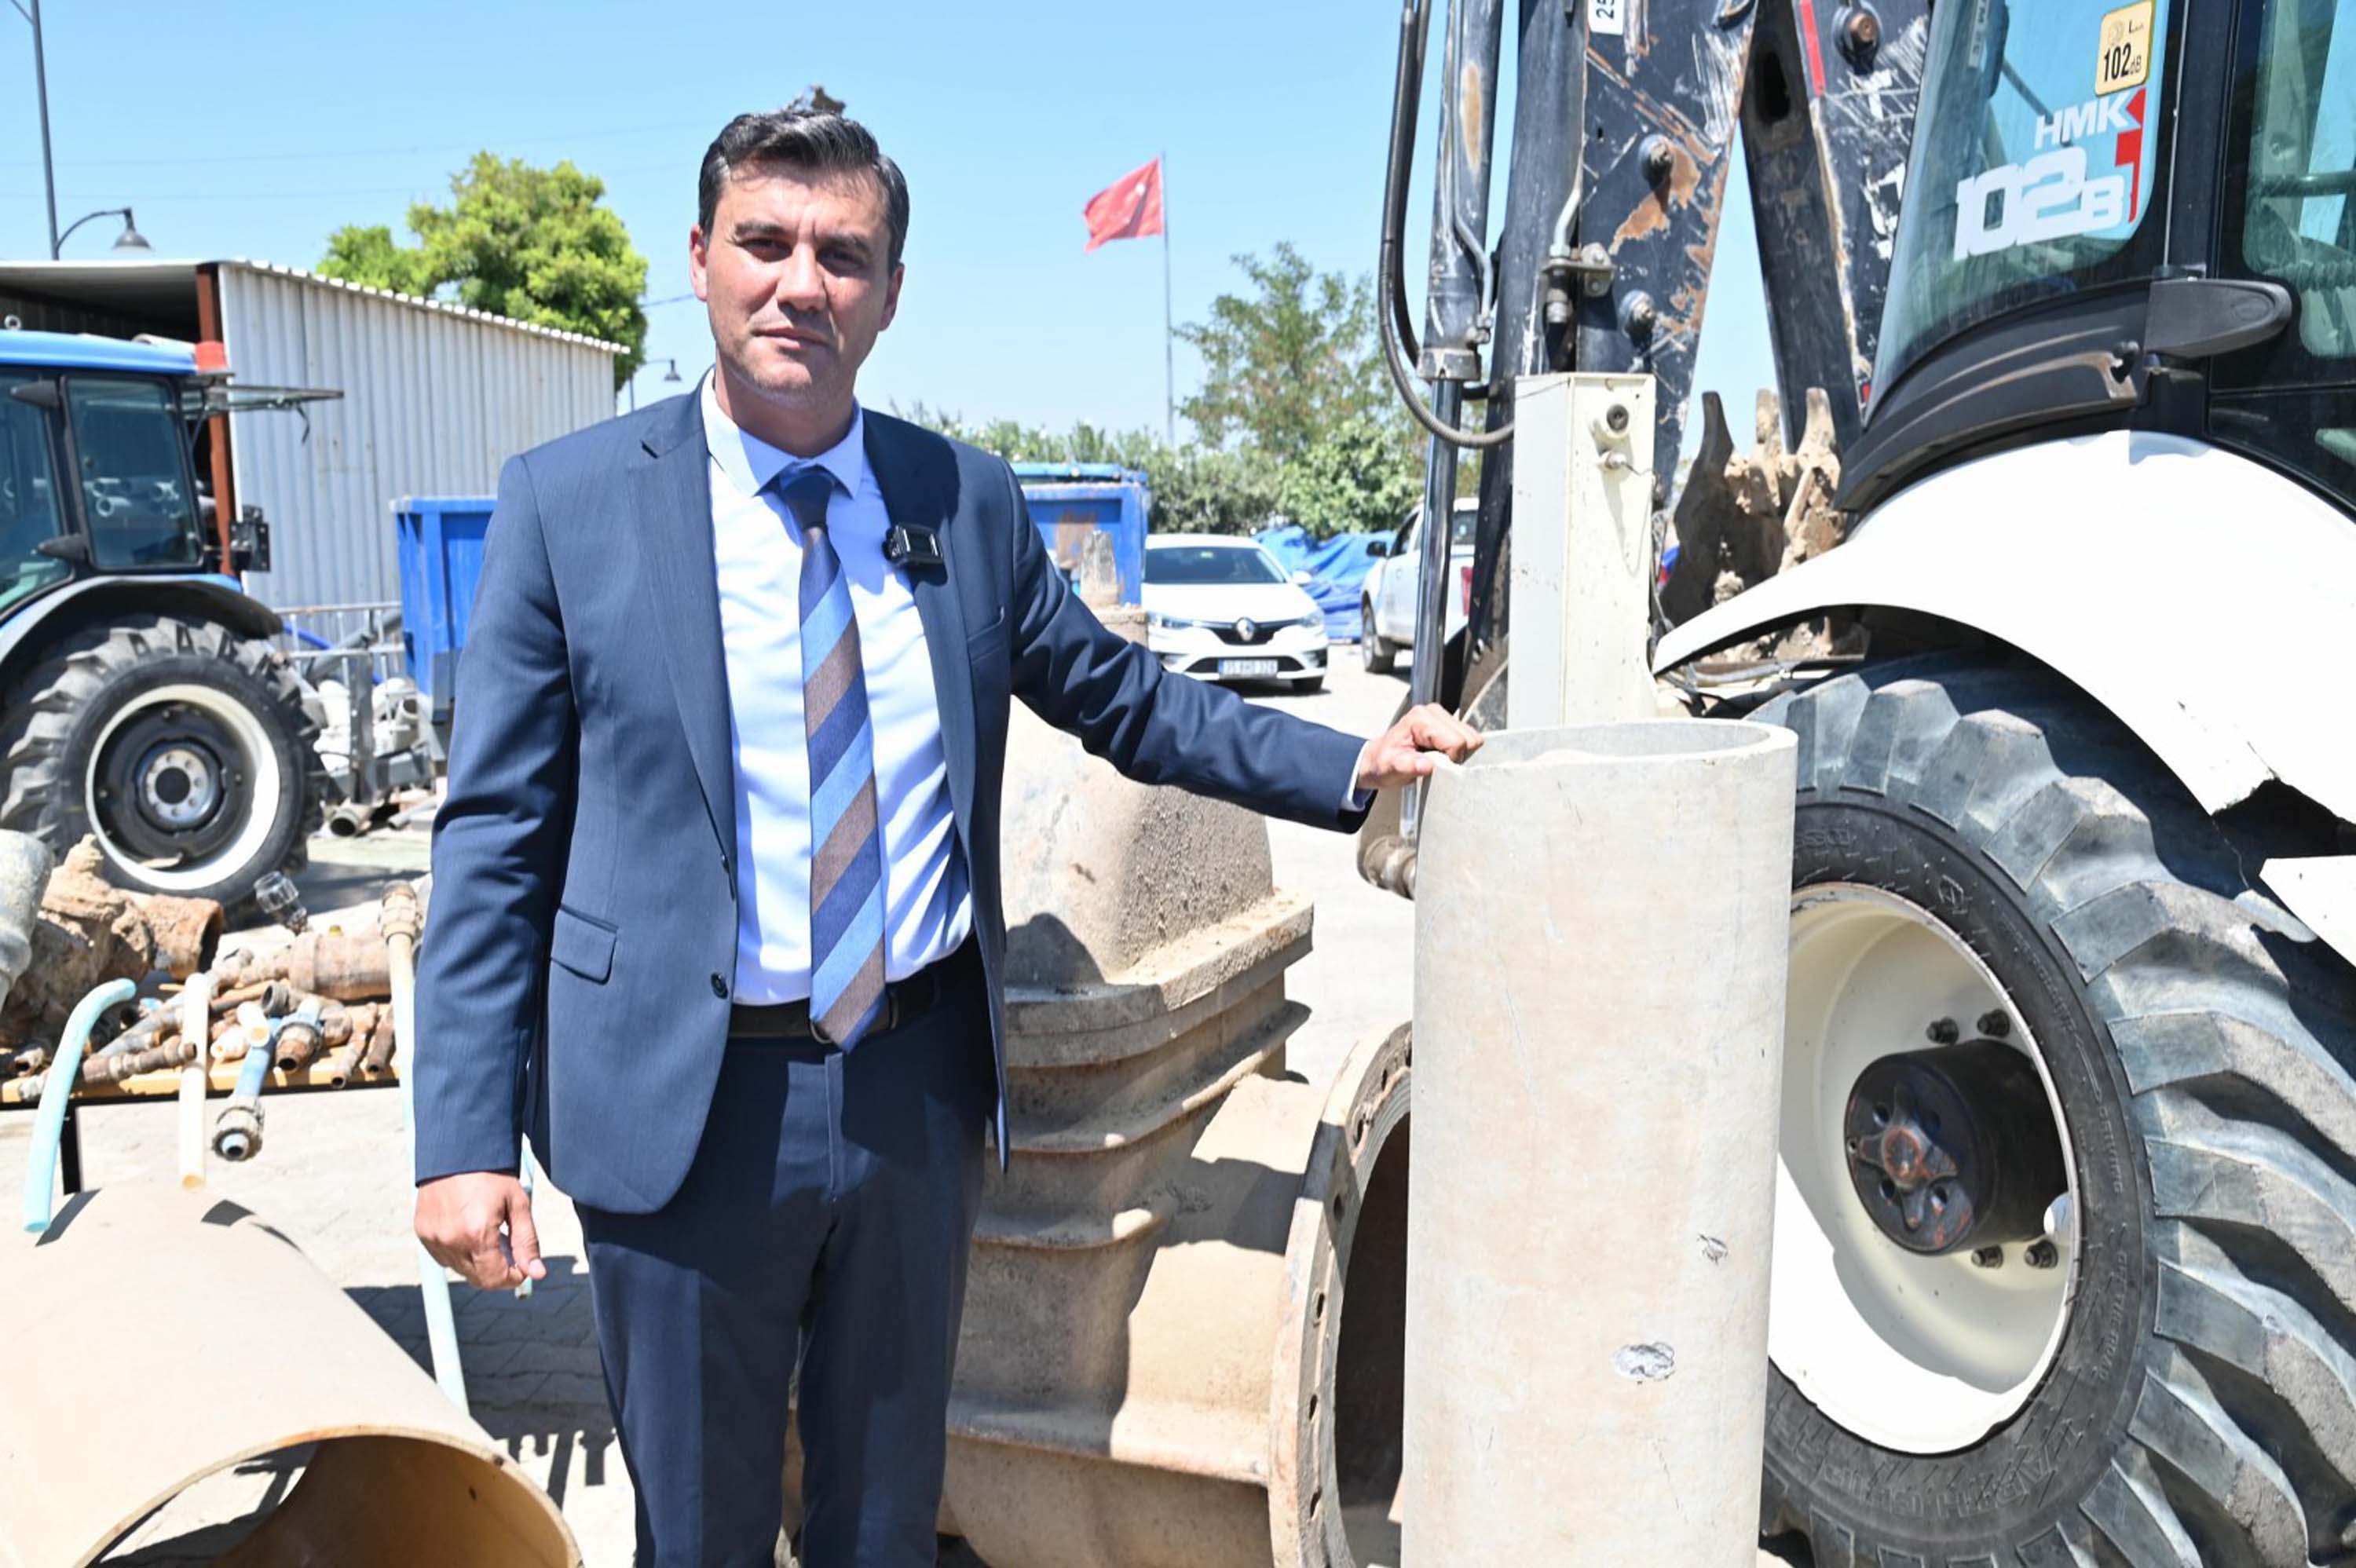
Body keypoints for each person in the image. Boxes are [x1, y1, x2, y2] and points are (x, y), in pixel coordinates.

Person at [412, 108, 1480, 1568]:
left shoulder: (959, 500)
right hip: (682, 1110)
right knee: (702, 1533)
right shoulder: (571, 505)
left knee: (884, 1520)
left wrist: (1351, 757)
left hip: (910, 1097)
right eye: (766, 243)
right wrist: (462, 1139)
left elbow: (1124, 698)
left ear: (892, 291)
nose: (802, 284)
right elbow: (495, 841)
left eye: (843, 255)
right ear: (701, 259)